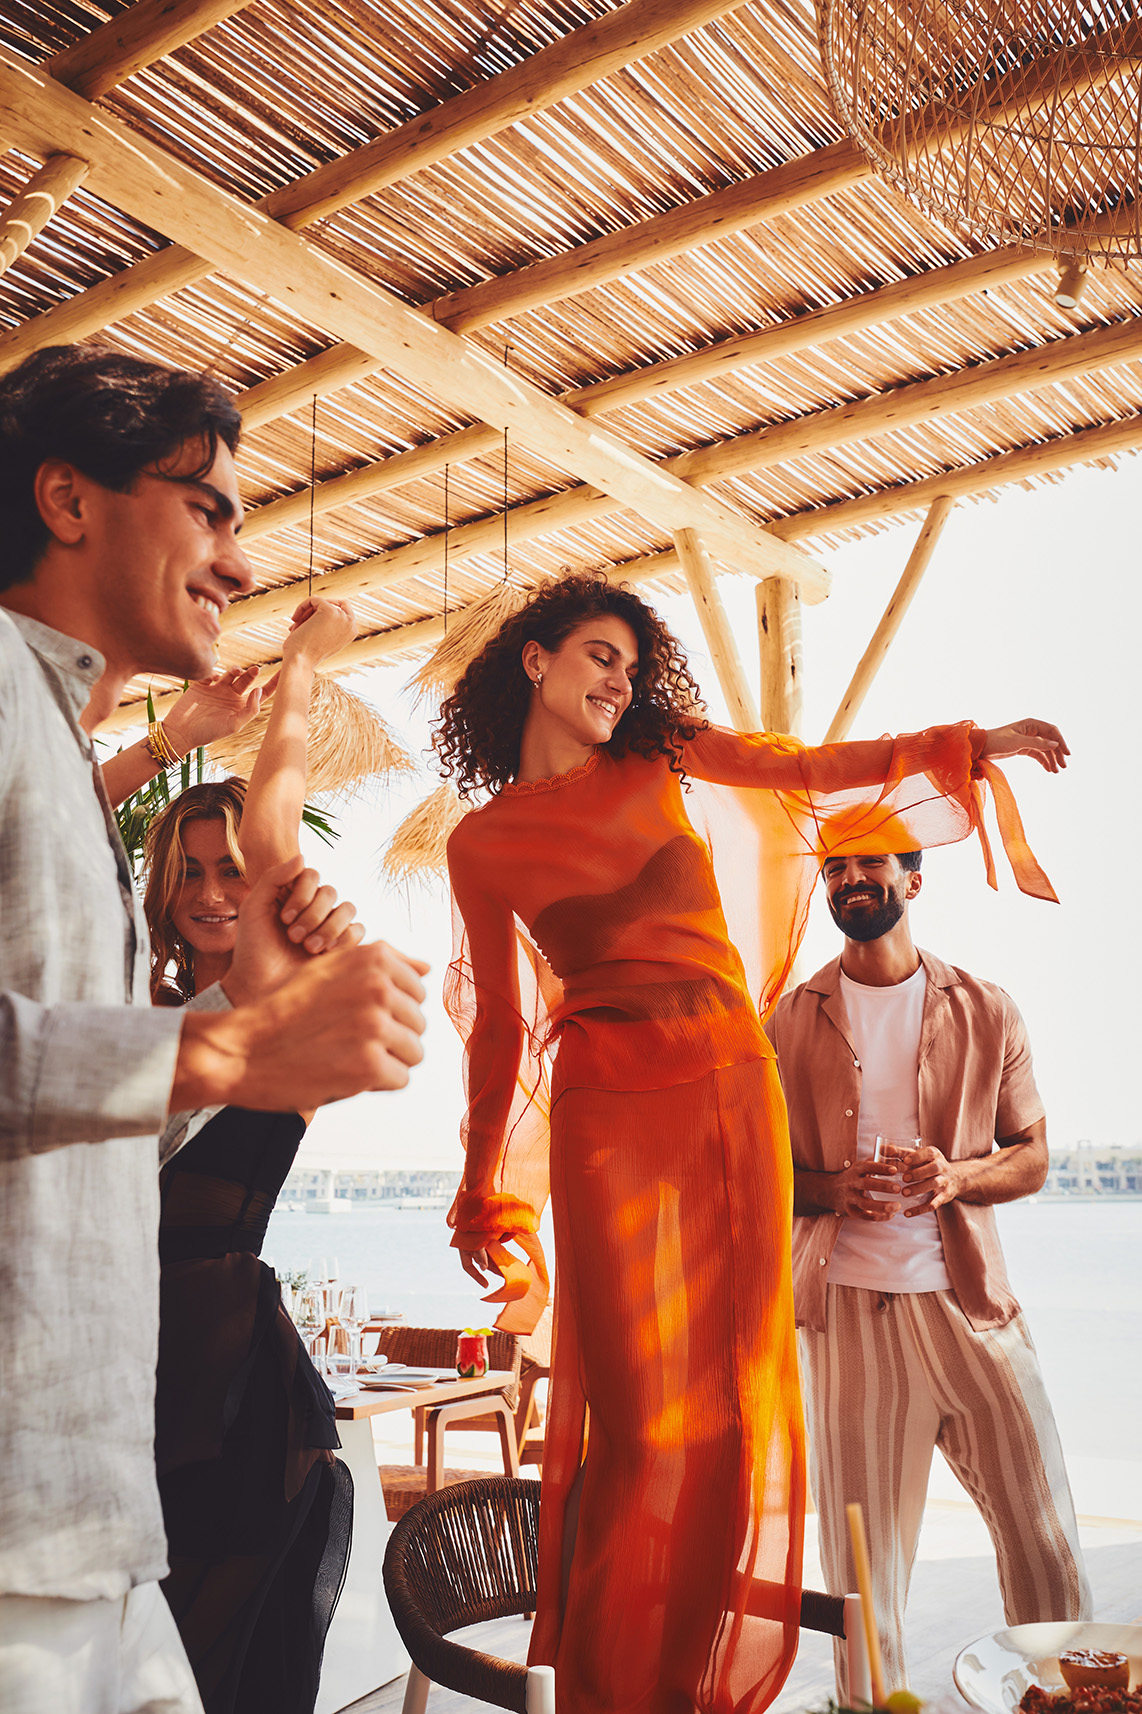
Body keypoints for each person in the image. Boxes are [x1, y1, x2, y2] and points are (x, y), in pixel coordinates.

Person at [435, 570, 1067, 1714]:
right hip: (603, 1108)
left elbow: (803, 768)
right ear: (534, 660)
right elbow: (498, 1029)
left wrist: (961, 741)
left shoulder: (658, 751)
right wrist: (480, 1186)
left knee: (729, 1403)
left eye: (630, 664)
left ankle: (682, 1682)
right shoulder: (480, 845)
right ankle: (605, 1681)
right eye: (596, 657)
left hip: (728, 1085)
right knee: (631, 1415)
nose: (617, 682)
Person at [0, 344, 428, 1714]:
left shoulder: (58, 746)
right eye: (211, 508)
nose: (240, 563)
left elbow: (83, 1117)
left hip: (96, 1501)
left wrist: (260, 1010)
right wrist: (231, 1049)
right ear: (68, 499)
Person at [767, 838, 1091, 1699]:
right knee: (861, 1583)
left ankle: (1070, 1701)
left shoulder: (989, 1009)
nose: (850, 880)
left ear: (914, 880)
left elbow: (1032, 1155)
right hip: (850, 1326)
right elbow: (754, 1177)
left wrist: (956, 1175)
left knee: (1045, 1541)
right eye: (834, 869)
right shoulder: (788, 1021)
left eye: (869, 864)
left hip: (973, 1311)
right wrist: (833, 1189)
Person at [135, 596, 360, 1714]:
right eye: (193, 873)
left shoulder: (284, 1002)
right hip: (131, 1411)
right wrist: (157, 746)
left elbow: (280, 813)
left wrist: (305, 672)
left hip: (246, 1426)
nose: (221, 890)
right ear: (162, 898)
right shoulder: (128, 1018)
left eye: (236, 870)